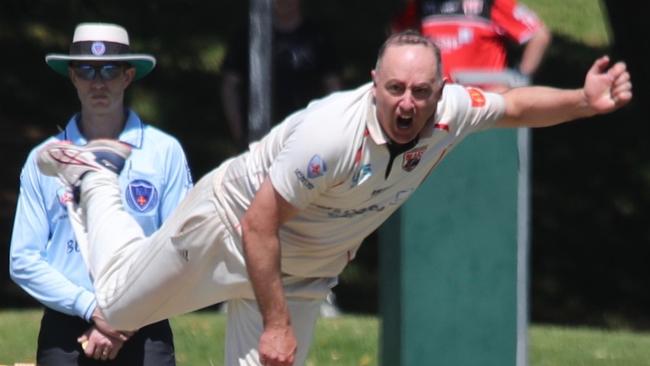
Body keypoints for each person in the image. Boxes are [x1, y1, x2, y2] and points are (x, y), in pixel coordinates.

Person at [36, 31, 631, 366]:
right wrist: (274, 327)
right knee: (110, 308)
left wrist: (584, 99)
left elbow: (516, 107)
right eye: (394, 88)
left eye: (419, 92)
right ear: (374, 85)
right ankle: (95, 175)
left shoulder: (452, 112)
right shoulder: (329, 135)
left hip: (299, 272)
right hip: (225, 229)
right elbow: (258, 223)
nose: (406, 103)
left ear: (439, 91)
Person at [9, 23, 193, 365]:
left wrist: (121, 319)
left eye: (109, 70)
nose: (98, 82)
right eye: (87, 70)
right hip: (66, 327)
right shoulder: (46, 159)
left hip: (145, 324)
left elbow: (182, 248)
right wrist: (91, 307)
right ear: (72, 76)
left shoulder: (163, 152)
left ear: (128, 76)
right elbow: (23, 259)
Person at [220, 0, 342, 149]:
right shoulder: (249, 36)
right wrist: (239, 135)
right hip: (259, 139)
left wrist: (328, 129)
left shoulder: (318, 37)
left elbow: (333, 88)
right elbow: (230, 86)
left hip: (307, 137)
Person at [392, 0, 551, 90]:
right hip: (435, 105)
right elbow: (397, 35)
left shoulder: (491, 3)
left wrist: (516, 80)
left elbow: (539, 35)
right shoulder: (422, 5)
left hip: (481, 108)